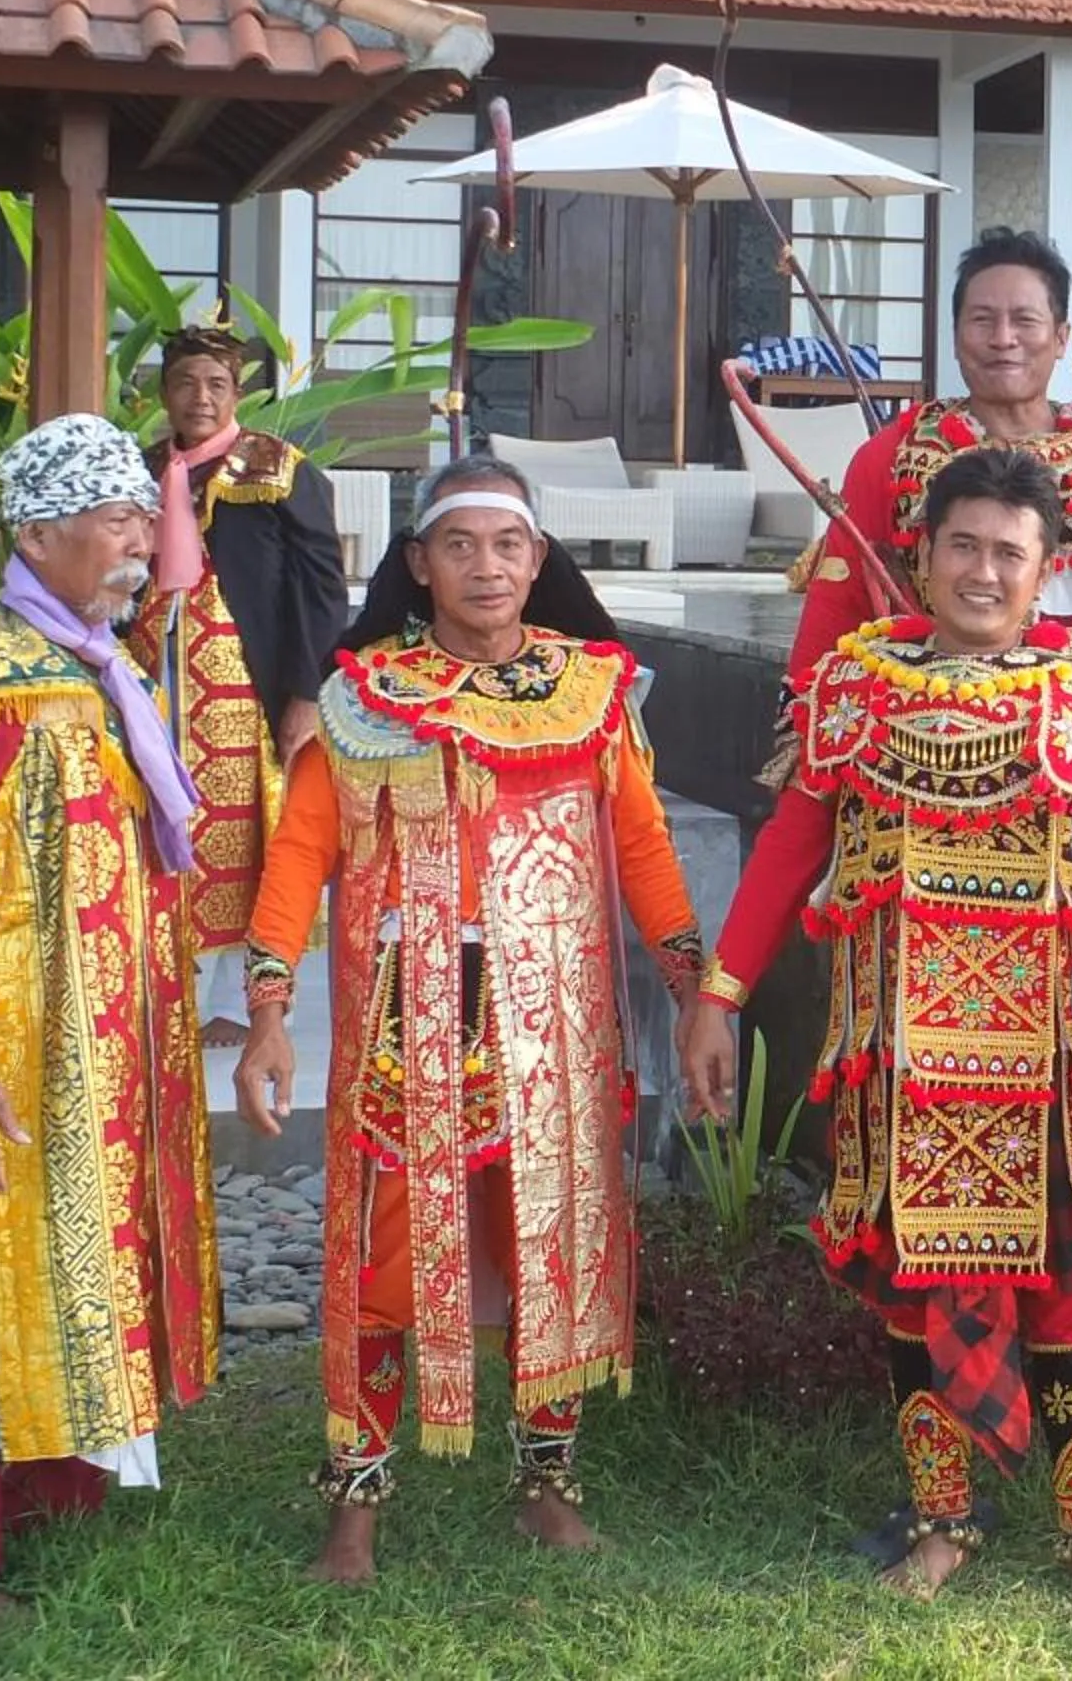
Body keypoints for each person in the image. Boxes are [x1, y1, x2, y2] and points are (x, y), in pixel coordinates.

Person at [690, 446, 1072, 1614]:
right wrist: (721, 995)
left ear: (1044, 577)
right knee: (908, 1287)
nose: (983, 572)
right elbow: (790, 845)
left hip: (1048, 1055)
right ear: (921, 557)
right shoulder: (855, 689)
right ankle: (944, 1520)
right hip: (900, 1056)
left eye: (1009, 555)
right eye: (963, 546)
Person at [233, 456, 705, 1584]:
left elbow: (641, 847)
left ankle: (547, 1480)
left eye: (507, 545)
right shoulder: (362, 700)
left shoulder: (592, 688)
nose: (486, 566)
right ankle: (356, 1498)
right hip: (409, 1015)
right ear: (418, 566)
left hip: (558, 1024)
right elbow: (303, 852)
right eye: (460, 545)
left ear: (538, 561)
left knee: (547, 1250)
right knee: (384, 1262)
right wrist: (265, 1014)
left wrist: (698, 994)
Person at [0, 414, 218, 1624]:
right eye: (117, 524)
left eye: (143, 520)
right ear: (39, 533)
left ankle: (57, 1490)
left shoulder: (91, 664)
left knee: (77, 1253)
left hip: (91, 1039)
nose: (141, 546)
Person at [781, 227, 1072, 686]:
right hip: (926, 723)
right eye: (982, 320)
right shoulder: (893, 459)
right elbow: (840, 604)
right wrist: (805, 716)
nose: (1003, 339)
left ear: (1062, 338)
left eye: (1025, 320)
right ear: (955, 337)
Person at [124, 324, 349, 1047]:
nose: (200, 397)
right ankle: (162, 977)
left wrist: (308, 693)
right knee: (156, 816)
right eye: (186, 383)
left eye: (215, 385)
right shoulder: (141, 468)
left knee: (242, 828)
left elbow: (321, 586)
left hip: (242, 682)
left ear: (237, 394)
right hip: (151, 670)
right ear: (164, 393)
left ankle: (231, 991)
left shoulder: (277, 467)